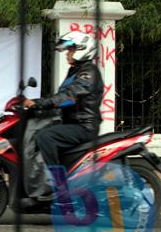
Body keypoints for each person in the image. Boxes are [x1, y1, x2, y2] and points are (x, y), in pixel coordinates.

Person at [23, 31, 104, 200]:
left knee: (46, 137)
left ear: (82, 50)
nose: (68, 54)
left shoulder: (88, 73)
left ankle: (60, 187)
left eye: (71, 50)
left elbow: (69, 96)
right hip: (72, 123)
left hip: (83, 126)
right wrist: (35, 102)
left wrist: (39, 103)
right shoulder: (77, 71)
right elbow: (62, 96)